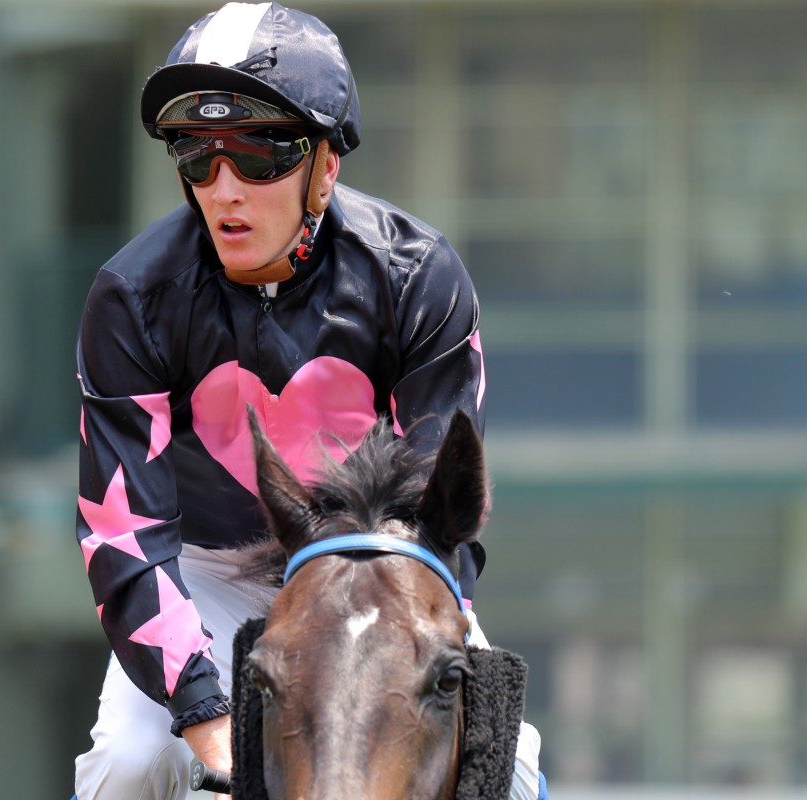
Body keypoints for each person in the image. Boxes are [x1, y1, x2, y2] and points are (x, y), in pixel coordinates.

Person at [72, 3, 546, 798]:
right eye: (198, 157)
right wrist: (200, 707)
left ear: (326, 166)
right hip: (207, 573)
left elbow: (438, 513)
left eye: (259, 157)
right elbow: (124, 530)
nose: (225, 191)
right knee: (130, 764)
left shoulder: (417, 277)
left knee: (517, 772)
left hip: (379, 569)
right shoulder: (131, 298)